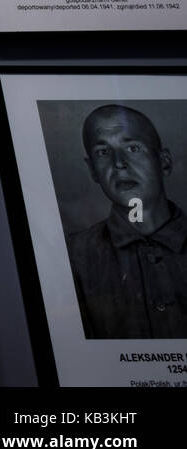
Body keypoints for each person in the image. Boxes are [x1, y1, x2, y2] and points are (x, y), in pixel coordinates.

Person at [66, 105, 187, 339]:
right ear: (92, 170)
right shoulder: (72, 257)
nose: (119, 163)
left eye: (132, 148)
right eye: (103, 152)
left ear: (164, 161)